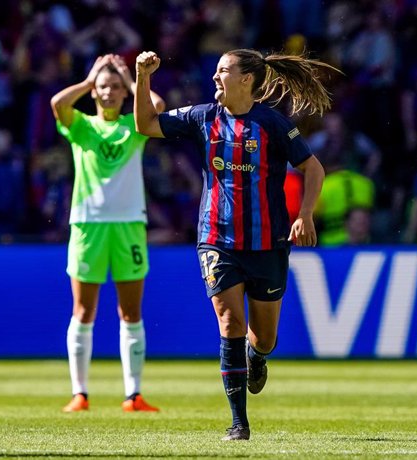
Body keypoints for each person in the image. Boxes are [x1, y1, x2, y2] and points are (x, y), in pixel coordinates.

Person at [134, 48, 329, 440]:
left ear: (246, 80)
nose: (214, 77)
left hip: (268, 243)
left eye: (223, 71)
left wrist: (304, 215)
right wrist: (142, 77)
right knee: (230, 323)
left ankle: (257, 358)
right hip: (216, 240)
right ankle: (239, 422)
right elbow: (146, 125)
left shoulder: (273, 123)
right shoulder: (203, 116)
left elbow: (312, 167)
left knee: (265, 338)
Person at [50, 54, 165, 413]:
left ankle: (134, 395)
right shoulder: (81, 127)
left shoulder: (135, 126)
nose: (111, 92)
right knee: (83, 311)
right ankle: (79, 393)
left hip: (129, 224)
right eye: (105, 87)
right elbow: (57, 103)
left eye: (116, 87)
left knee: (130, 313)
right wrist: (89, 80)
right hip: (88, 225)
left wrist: (134, 82)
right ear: (95, 93)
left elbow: (158, 106)